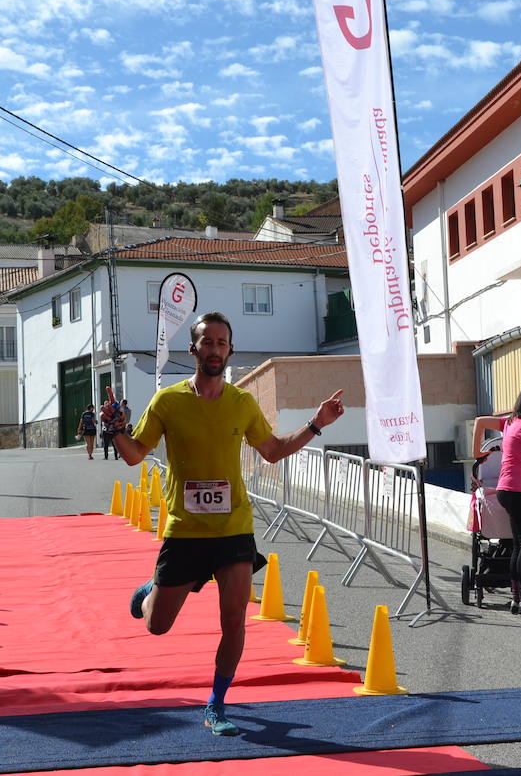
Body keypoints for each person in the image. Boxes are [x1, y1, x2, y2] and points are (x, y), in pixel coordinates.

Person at [101, 311, 345, 737]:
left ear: (229, 350)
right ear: (193, 350)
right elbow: (135, 453)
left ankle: (216, 703)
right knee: (157, 625)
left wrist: (314, 425)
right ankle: (151, 592)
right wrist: (116, 428)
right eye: (206, 342)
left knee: (234, 621)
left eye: (221, 342)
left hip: (234, 528)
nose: (214, 349)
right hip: (185, 531)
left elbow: (272, 450)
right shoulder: (168, 402)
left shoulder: (242, 403)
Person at [470, 383, 521, 618]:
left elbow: (480, 422)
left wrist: (477, 452)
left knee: (519, 546)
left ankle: (518, 601)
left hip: (505, 491)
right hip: (518, 492)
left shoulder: (510, 423)